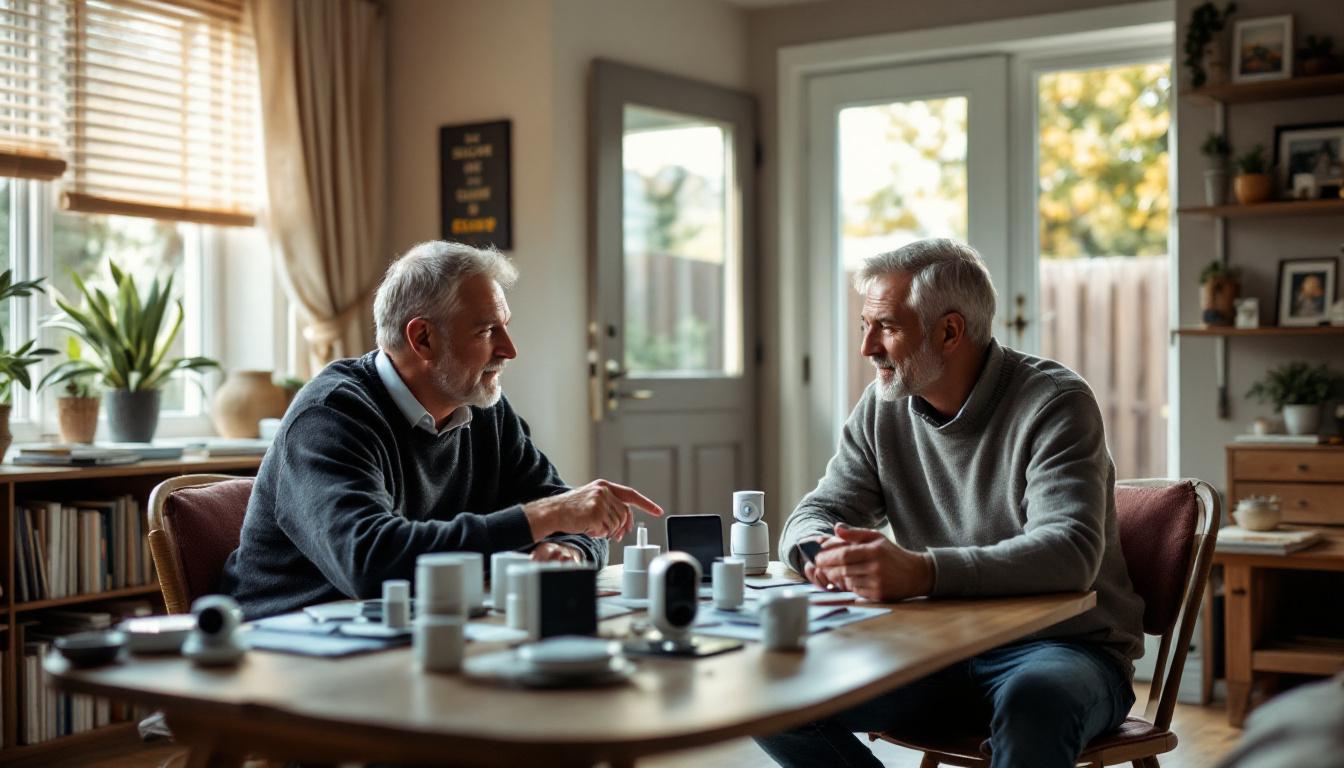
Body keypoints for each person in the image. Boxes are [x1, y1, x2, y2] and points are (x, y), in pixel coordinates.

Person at [757, 239, 1144, 768]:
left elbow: (1068, 554)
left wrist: (921, 573)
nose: (867, 346)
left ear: (949, 331)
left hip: (1063, 647)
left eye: (887, 326)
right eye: (865, 326)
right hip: (936, 647)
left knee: (1035, 705)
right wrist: (821, 554)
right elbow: (816, 511)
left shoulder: (1054, 402)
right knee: (775, 691)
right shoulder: (882, 405)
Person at [221, 241, 662, 619]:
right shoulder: (330, 416)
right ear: (423, 339)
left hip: (409, 632)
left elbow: (573, 516)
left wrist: (566, 553)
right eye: (488, 331)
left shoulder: (483, 407)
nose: (509, 350)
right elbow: (369, 561)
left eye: (505, 327)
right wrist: (544, 518)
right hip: (288, 650)